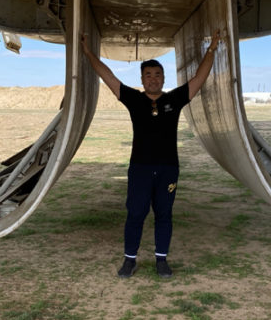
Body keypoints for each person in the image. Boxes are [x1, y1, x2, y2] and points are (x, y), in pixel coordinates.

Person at [81, 29, 223, 278]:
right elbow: (108, 76)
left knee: (164, 214)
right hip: (140, 168)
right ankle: (129, 260)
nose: (153, 79)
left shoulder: (175, 99)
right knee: (135, 213)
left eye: (158, 74)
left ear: (164, 78)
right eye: (148, 75)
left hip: (168, 168)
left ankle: (161, 260)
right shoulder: (134, 99)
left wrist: (211, 49)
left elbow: (200, 78)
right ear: (142, 79)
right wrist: (88, 53)